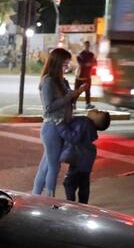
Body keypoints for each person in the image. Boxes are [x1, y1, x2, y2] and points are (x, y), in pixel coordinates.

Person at [32, 47, 89, 197]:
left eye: (68, 64)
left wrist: (78, 92)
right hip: (52, 126)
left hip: (62, 125)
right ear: (56, 63)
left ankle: (35, 196)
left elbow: (69, 101)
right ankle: (49, 198)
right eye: (65, 64)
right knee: (53, 165)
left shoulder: (61, 81)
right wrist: (70, 96)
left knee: (46, 165)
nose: (67, 67)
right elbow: (49, 107)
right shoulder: (48, 81)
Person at [58, 108, 111, 203]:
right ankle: (84, 204)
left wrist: (60, 125)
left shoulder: (84, 123)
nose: (95, 109)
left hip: (78, 160)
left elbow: (73, 138)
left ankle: (71, 203)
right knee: (84, 184)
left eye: (98, 112)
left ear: (95, 120)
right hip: (86, 163)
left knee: (69, 183)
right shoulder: (90, 129)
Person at [75, 40, 96, 108]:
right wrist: (88, 64)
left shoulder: (91, 54)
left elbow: (95, 62)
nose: (87, 47)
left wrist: (89, 64)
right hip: (80, 75)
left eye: (88, 45)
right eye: (86, 45)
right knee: (77, 91)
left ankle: (88, 103)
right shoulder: (81, 54)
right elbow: (81, 63)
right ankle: (73, 103)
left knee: (88, 90)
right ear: (84, 46)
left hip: (88, 75)